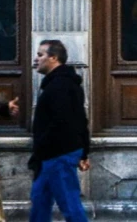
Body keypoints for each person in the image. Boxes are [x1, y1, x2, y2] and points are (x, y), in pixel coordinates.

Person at [28, 38, 90, 222]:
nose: (35, 59)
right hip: (51, 155)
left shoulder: (60, 86)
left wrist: (83, 152)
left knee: (69, 204)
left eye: (40, 55)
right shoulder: (58, 84)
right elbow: (81, 119)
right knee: (39, 201)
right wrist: (84, 151)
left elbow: (64, 122)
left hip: (58, 154)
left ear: (53, 58)